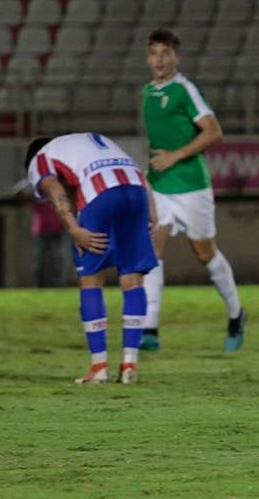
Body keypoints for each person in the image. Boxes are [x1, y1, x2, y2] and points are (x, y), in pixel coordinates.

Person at [138, 27, 246, 352]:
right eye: (154, 53)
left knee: (205, 253)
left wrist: (175, 156)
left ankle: (236, 313)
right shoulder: (148, 92)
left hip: (191, 185)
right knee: (152, 251)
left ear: (176, 57)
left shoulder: (185, 89)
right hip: (160, 186)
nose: (159, 59)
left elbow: (213, 132)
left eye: (165, 53)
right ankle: (150, 330)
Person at [25, 133, 158, 384]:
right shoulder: (98, 142)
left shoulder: (41, 157)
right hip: (137, 191)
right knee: (132, 280)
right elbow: (139, 173)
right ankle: (129, 365)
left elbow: (54, 189)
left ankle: (99, 367)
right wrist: (152, 213)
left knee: (91, 279)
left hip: (101, 194)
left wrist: (74, 228)